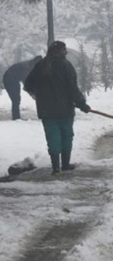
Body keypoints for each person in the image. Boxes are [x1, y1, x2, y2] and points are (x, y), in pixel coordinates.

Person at [24, 41, 91, 175]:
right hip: (65, 109)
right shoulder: (65, 65)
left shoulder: (40, 65)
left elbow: (28, 84)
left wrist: (38, 94)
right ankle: (65, 164)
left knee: (52, 136)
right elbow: (72, 88)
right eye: (64, 51)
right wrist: (81, 103)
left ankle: (55, 167)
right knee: (66, 135)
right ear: (62, 52)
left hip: (46, 110)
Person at [2, 56, 42, 120]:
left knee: (16, 99)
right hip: (9, 79)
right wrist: (32, 93)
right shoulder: (27, 68)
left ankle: (16, 116)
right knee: (16, 99)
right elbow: (26, 82)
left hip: (11, 78)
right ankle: (16, 117)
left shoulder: (29, 65)